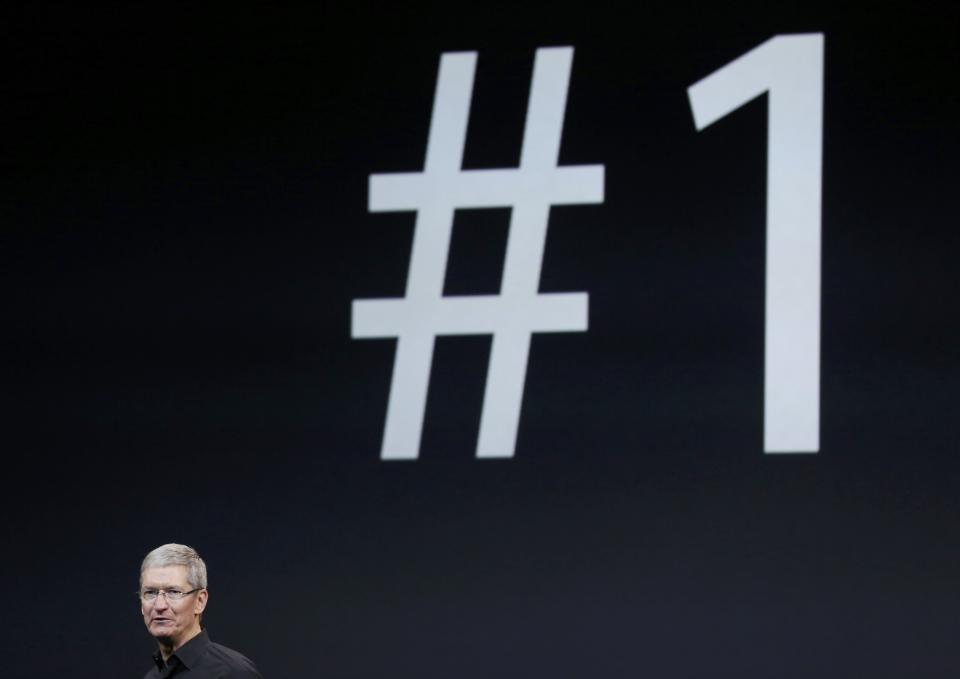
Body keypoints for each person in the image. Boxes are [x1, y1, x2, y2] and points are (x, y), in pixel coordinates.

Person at [139, 543, 264, 678]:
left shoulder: (234, 673)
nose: (159, 605)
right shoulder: (151, 677)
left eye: (174, 592)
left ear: (200, 601)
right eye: (150, 592)